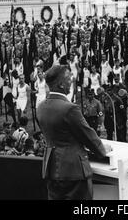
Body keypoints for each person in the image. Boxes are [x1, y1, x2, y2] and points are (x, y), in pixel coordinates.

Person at [36, 65, 111, 200]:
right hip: (73, 171)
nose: (71, 80)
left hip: (51, 168)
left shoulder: (40, 107)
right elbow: (88, 136)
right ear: (60, 84)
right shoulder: (69, 109)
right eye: (68, 78)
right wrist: (103, 150)